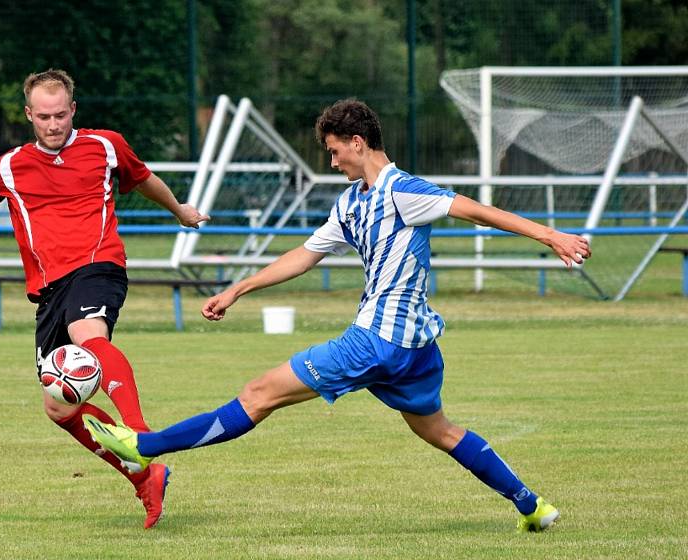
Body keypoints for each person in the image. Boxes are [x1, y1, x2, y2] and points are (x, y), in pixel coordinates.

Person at [83, 99, 591, 532]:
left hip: (376, 341)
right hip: (416, 348)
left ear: (356, 142)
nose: (331, 163)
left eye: (332, 151)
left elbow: (478, 210)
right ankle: (532, 506)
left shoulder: (403, 191)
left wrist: (551, 236)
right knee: (439, 431)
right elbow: (305, 254)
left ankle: (144, 446)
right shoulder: (352, 203)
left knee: (259, 394)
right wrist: (240, 286)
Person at [0, 69, 208, 529]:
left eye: (60, 115)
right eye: (43, 117)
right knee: (59, 405)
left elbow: (143, 179)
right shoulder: (11, 166)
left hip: (99, 266)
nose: (53, 124)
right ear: (29, 115)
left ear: (73, 110)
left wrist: (179, 210)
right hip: (49, 289)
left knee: (89, 334)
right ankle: (145, 477)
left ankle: (141, 434)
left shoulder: (105, 146)